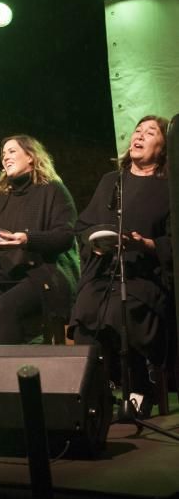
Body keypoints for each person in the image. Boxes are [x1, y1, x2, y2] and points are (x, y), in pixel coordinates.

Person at [69, 115, 173, 417]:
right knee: (87, 310)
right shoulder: (111, 181)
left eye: (150, 132)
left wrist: (147, 244)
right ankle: (96, 394)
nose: (138, 136)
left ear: (164, 147)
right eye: (137, 130)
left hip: (146, 275)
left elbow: (173, 240)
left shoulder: (168, 187)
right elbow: (84, 225)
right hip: (106, 270)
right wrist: (95, 241)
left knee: (119, 310)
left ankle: (141, 387)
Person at [0, 134, 79, 345]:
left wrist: (28, 240)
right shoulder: (0, 198)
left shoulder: (52, 189)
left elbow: (65, 236)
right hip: (6, 277)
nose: (5, 157)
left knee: (6, 307)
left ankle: (9, 376)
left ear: (31, 157)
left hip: (44, 276)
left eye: (12, 151)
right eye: (3, 154)